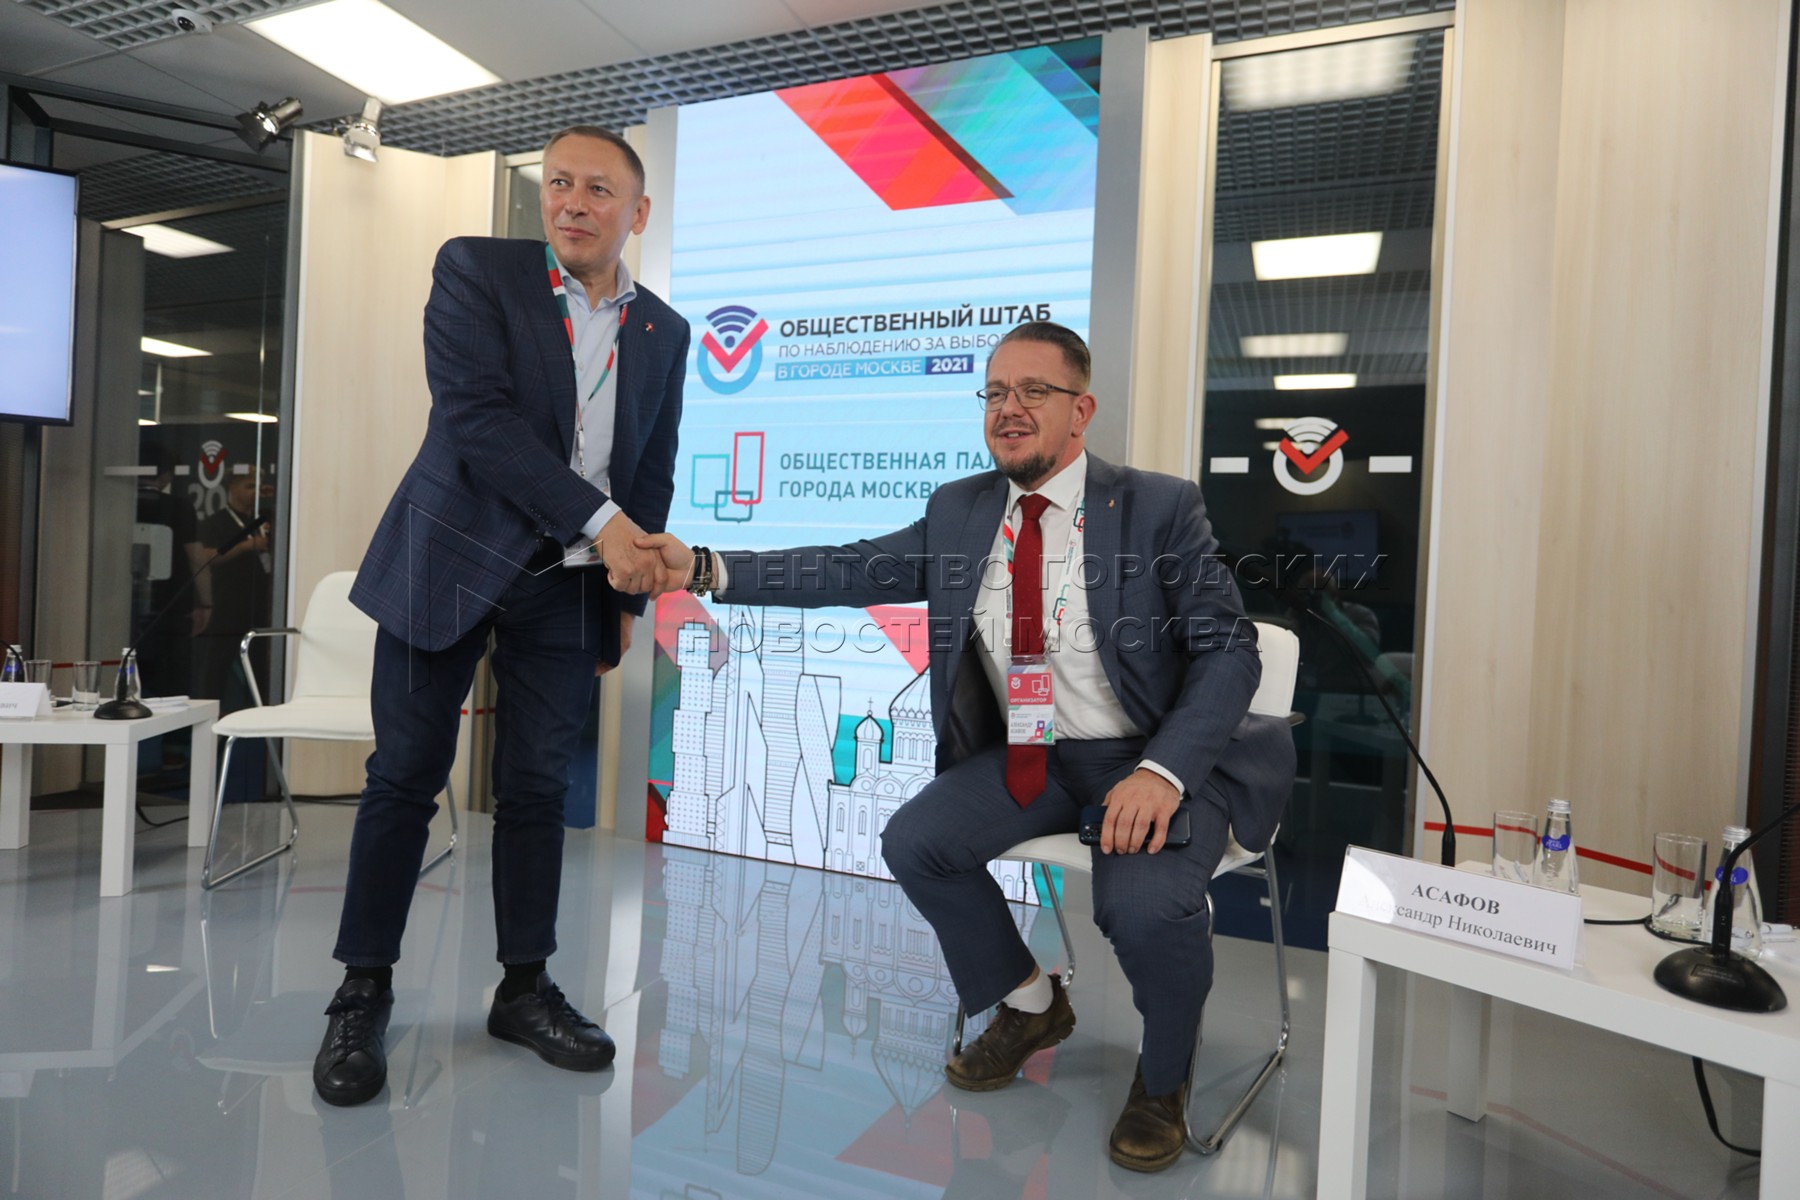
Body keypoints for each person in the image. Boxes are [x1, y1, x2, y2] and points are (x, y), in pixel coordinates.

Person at [638, 322, 1294, 1171]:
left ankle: (1163, 1078)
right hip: (1035, 755)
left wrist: (1164, 773)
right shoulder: (963, 508)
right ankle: (1031, 1003)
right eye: (994, 393)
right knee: (917, 841)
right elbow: (849, 568)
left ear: (1081, 411)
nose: (1008, 409)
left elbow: (1230, 648)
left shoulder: (1158, 507)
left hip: (1148, 756)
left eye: (1033, 392)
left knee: (1141, 910)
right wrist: (703, 567)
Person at [312, 125, 689, 1108]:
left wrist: (621, 599)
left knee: (534, 787)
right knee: (405, 773)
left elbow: (648, 469)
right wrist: (605, 525)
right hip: (445, 559)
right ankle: (361, 991)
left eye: (598, 190)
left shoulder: (664, 331)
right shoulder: (478, 272)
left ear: (638, 213)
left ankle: (524, 989)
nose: (572, 203)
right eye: (559, 183)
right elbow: (477, 421)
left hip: (567, 583)